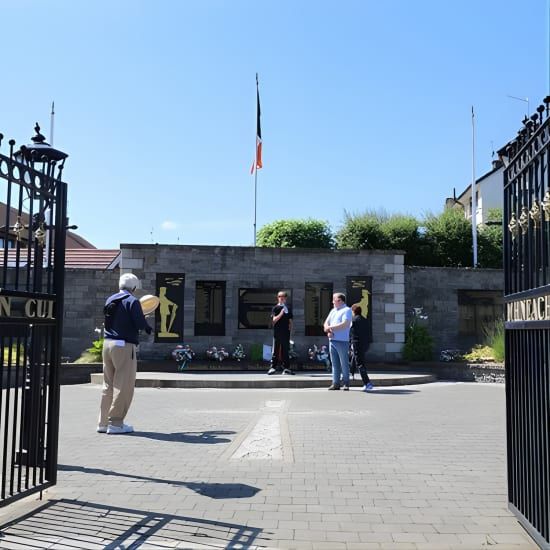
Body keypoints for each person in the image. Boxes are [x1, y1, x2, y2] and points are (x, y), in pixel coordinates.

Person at [97, 273, 152, 434]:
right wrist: (147, 325)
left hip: (107, 344)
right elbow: (140, 324)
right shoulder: (132, 301)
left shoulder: (110, 299)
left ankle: (102, 423)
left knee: (107, 384)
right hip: (123, 345)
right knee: (123, 384)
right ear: (134, 288)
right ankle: (116, 423)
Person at [324, 292, 352, 390]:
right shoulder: (333, 311)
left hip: (342, 340)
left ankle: (346, 382)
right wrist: (327, 330)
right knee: (334, 363)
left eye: (334, 300)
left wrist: (330, 328)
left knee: (343, 362)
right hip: (332, 340)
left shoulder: (347, 310)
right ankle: (335, 383)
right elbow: (326, 323)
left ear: (340, 300)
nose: (332, 302)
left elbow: (345, 324)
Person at [267, 291, 295, 375]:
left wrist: (291, 331)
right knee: (276, 350)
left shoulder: (288, 309)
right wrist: (281, 313)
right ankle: (273, 367)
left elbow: (290, 321)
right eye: (279, 296)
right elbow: (274, 320)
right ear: (278, 297)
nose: (281, 298)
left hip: (286, 333)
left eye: (283, 296)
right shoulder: (275, 308)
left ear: (286, 298)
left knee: (285, 350)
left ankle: (286, 368)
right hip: (277, 333)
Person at [349, 303, 374, 392]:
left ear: (353, 311)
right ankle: (350, 373)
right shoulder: (365, 320)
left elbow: (351, 333)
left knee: (360, 363)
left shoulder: (353, 321)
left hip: (357, 343)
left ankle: (367, 383)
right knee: (355, 358)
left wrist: (350, 343)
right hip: (365, 344)